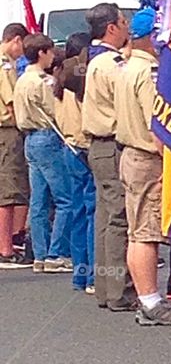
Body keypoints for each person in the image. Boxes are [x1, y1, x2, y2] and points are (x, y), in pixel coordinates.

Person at [113, 8, 171, 325]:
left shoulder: (126, 67)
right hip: (148, 157)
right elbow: (158, 124)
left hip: (130, 153)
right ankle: (151, 301)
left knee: (138, 229)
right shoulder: (149, 72)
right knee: (146, 232)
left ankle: (147, 298)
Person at [82, 3, 138, 311]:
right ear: (111, 28)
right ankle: (120, 290)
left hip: (98, 145)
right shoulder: (112, 64)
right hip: (112, 143)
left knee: (105, 217)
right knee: (119, 218)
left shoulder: (95, 60)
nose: (127, 27)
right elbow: (127, 99)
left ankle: (106, 287)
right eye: (123, 22)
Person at [14, 33, 74, 274]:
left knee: (38, 200)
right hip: (47, 136)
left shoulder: (21, 79)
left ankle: (39, 254)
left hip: (29, 138)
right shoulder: (44, 82)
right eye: (49, 52)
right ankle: (56, 253)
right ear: (42, 53)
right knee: (64, 199)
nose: (52, 57)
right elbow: (56, 111)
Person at [54, 32, 96, 290]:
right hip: (85, 147)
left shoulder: (60, 82)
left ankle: (80, 274)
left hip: (68, 146)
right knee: (93, 213)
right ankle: (93, 275)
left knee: (77, 213)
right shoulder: (80, 82)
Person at [0, 23, 30, 268]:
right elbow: (11, 103)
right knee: (8, 191)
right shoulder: (5, 65)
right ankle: (6, 248)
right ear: (16, 40)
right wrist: (24, 125)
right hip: (7, 131)